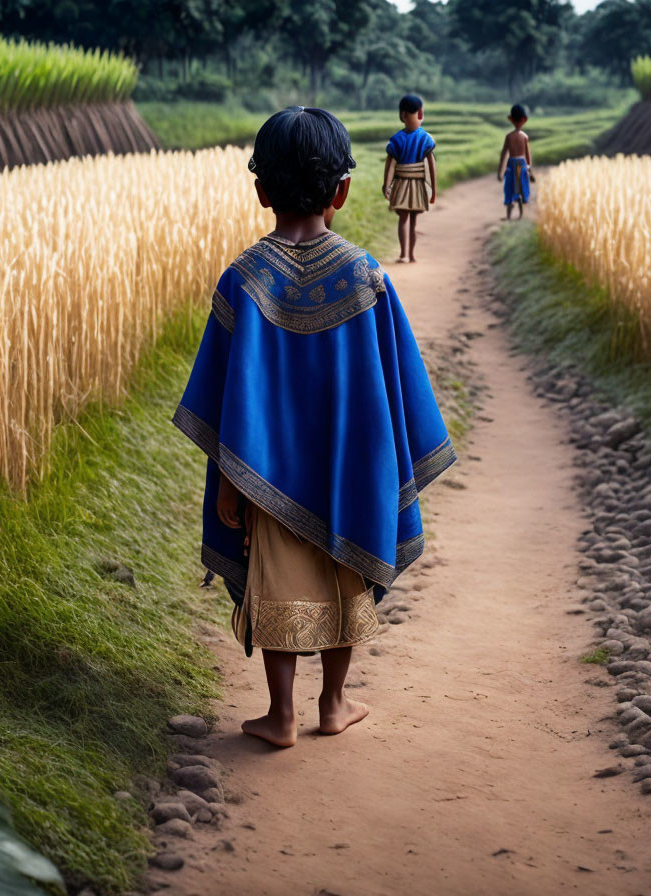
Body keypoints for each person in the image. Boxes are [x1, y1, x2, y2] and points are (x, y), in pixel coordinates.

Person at [173, 106, 455, 748]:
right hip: (353, 471)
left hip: (263, 477)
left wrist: (228, 482)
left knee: (274, 586)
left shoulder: (243, 281)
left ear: (261, 191)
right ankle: (334, 702)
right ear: (343, 191)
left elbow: (224, 397)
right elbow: (399, 384)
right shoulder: (366, 278)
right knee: (346, 579)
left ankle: (282, 714)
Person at [383, 94, 437, 263]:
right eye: (417, 113)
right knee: (405, 219)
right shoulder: (400, 140)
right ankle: (404, 253)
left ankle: (409, 254)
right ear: (405, 115)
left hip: (412, 183)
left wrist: (433, 189)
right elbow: (391, 164)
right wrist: (386, 184)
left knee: (410, 220)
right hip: (406, 182)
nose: (419, 116)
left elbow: (431, 165)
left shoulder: (424, 139)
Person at [498, 103, 534, 220]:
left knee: (509, 188)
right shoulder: (525, 137)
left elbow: (503, 154)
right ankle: (520, 215)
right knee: (520, 189)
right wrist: (530, 170)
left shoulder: (509, 137)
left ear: (512, 119)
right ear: (524, 120)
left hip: (511, 164)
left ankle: (509, 215)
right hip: (522, 165)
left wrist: (500, 171)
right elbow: (528, 156)